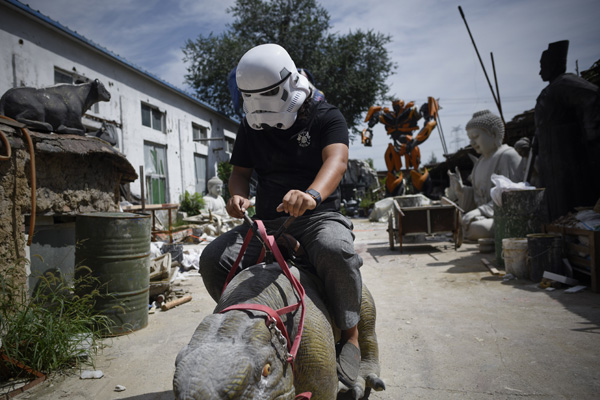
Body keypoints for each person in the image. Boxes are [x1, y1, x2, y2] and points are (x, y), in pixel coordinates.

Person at [199, 43, 363, 386]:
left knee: (337, 250)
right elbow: (240, 171)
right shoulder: (250, 124)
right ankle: (252, 317)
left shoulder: (326, 115)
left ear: (290, 83)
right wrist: (238, 195)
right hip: (267, 222)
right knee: (213, 258)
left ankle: (350, 336)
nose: (260, 107)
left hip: (318, 217)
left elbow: (338, 160)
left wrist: (311, 194)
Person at [533, 40, 600, 221]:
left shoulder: (565, 83)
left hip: (566, 152)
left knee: (570, 197)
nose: (540, 71)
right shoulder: (549, 90)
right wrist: (537, 139)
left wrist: (591, 132)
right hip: (550, 158)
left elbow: (592, 96)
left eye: (543, 66)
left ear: (554, 65)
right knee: (553, 201)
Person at [447, 110, 521, 241]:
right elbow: (476, 196)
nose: (472, 142)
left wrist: (481, 211)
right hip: (485, 215)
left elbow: (512, 196)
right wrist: (462, 191)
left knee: (479, 227)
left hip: (504, 217)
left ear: (494, 134)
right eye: (470, 138)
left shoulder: (507, 156)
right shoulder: (480, 162)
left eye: (475, 136)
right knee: (453, 219)